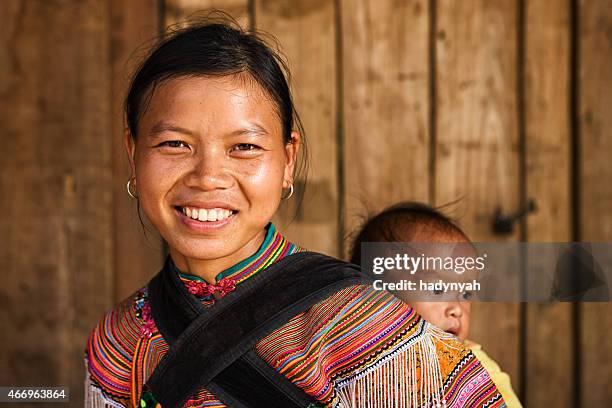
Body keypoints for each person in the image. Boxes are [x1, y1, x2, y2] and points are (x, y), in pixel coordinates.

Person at [85, 20, 506, 408]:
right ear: (133, 152)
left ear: (287, 161)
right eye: (174, 144)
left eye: (244, 147)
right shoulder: (116, 344)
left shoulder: (366, 329)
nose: (209, 177)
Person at [349, 201, 522, 407]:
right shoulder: (356, 362)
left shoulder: (476, 366)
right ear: (377, 298)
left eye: (466, 294)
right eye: (437, 290)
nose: (457, 309)